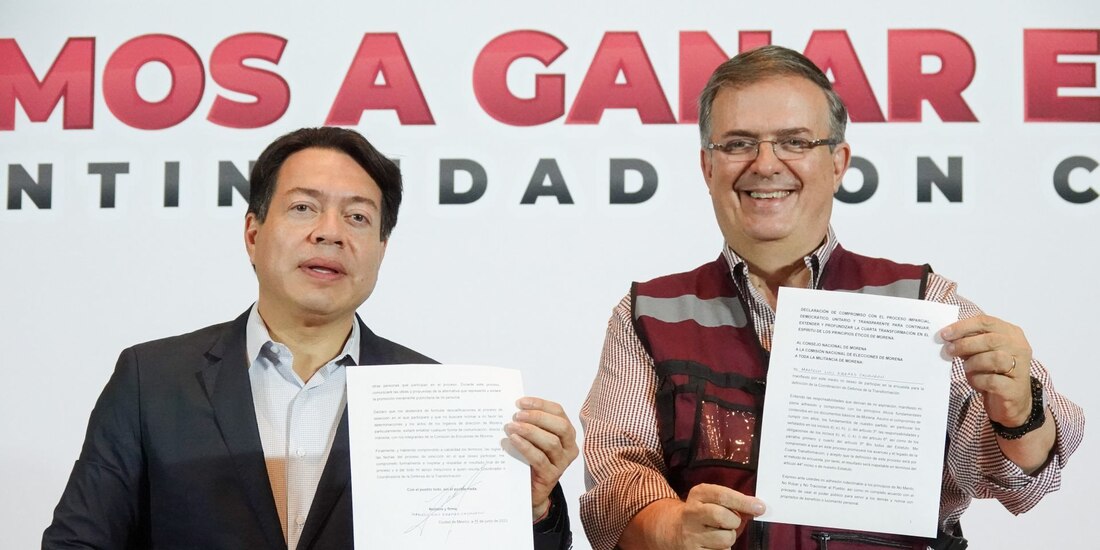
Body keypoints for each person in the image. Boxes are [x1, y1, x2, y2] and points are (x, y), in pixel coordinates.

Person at [579, 45, 1084, 550]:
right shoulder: (647, 314)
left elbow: (1019, 480)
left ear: (838, 162)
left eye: (794, 141)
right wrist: (671, 526)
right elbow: (615, 476)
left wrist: (1021, 410)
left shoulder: (921, 303)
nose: (765, 164)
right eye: (738, 144)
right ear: (708, 167)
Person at [43, 127, 577, 550]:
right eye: (303, 208)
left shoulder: (434, 398)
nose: (330, 232)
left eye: (358, 217)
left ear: (381, 250)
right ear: (253, 233)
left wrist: (530, 510)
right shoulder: (150, 380)